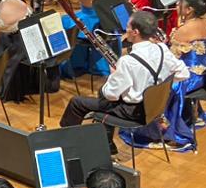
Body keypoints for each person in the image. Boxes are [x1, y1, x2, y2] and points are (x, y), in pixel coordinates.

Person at [59, 10, 189, 153]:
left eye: (127, 27)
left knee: (78, 102)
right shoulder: (162, 48)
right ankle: (107, 144)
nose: (125, 30)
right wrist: (157, 84)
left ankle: (67, 143)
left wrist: (113, 76)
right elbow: (184, 73)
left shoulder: (128, 62)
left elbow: (111, 95)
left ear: (135, 32)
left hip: (134, 112)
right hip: (156, 105)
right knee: (113, 100)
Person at [120, 0, 206, 151]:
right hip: (202, 74)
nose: (177, 4)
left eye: (181, 2)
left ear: (189, 10)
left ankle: (162, 129)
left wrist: (154, 45)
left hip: (188, 79)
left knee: (155, 85)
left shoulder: (184, 30)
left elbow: (168, 60)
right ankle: (190, 115)